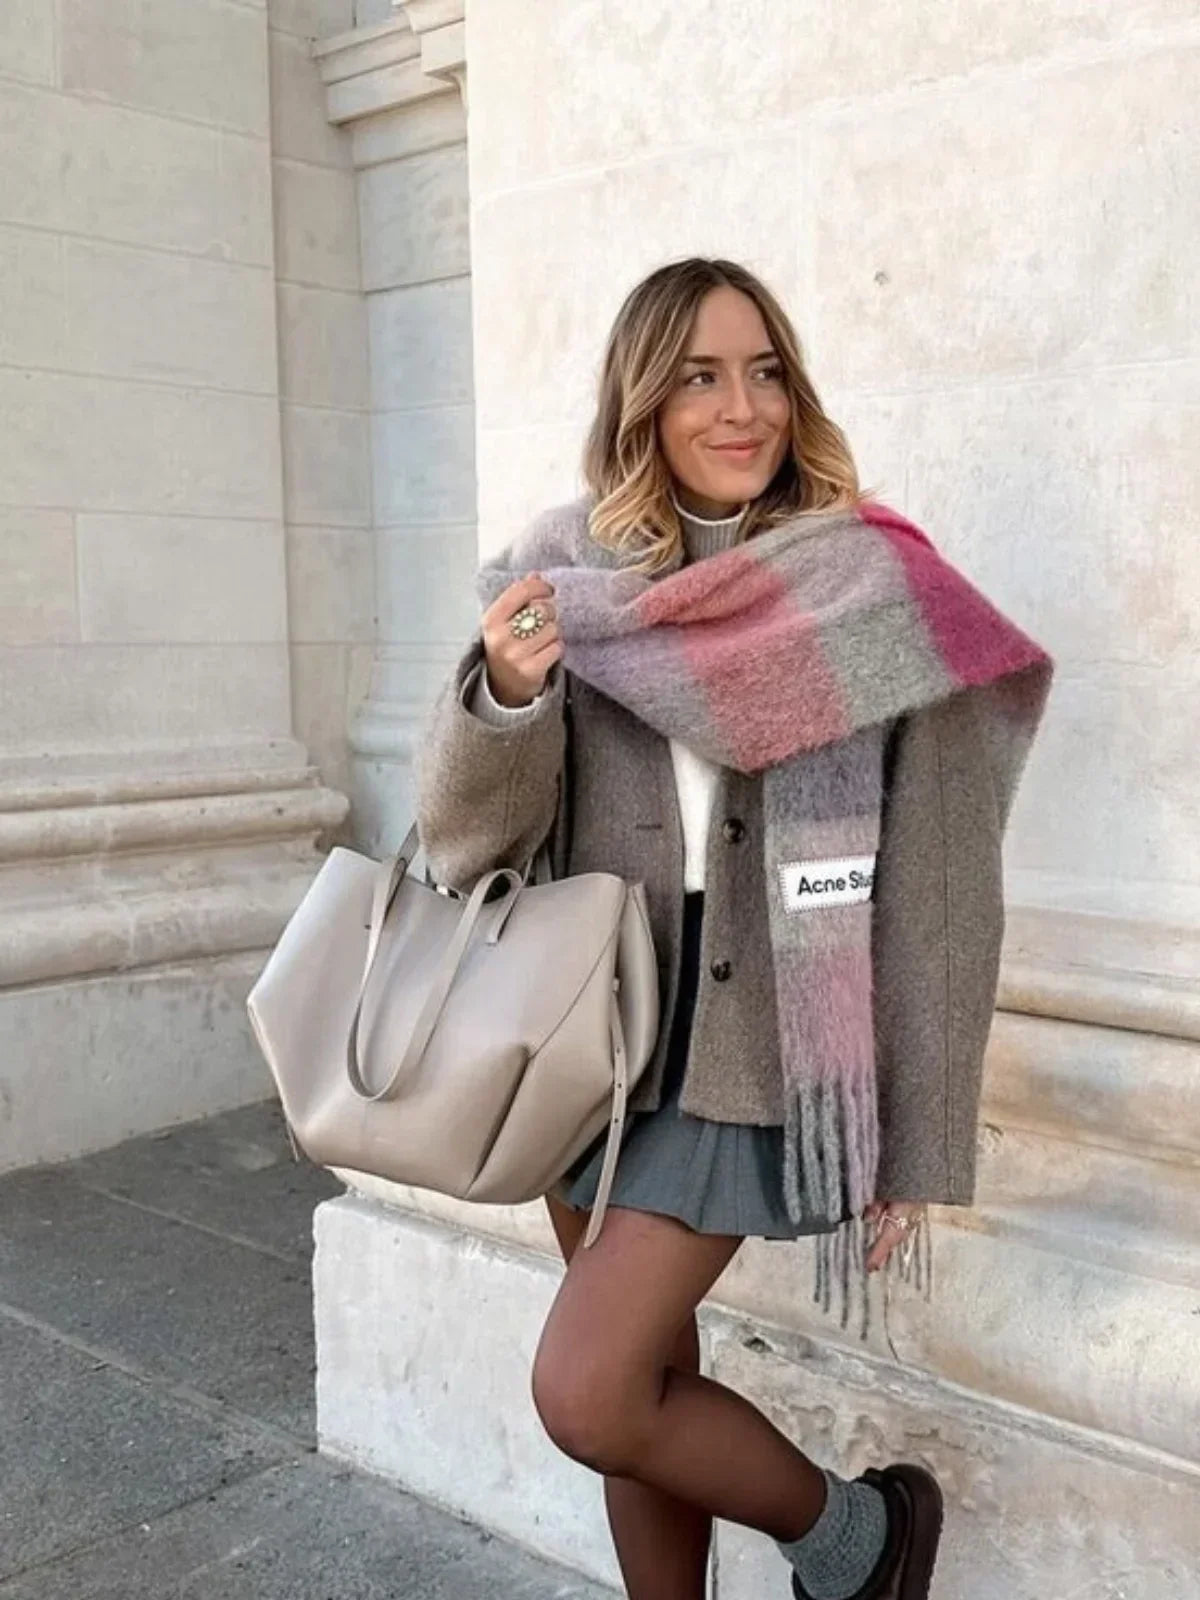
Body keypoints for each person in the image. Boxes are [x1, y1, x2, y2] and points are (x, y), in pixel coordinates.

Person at [416, 258, 1052, 1600]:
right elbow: (471, 846)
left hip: (760, 1044)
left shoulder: (869, 591)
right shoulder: (563, 580)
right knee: (645, 1380)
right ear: (643, 399)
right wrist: (508, 695)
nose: (742, 407)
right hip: (592, 1040)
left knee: (588, 1389)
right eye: (701, 376)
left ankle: (860, 1539)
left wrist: (919, 1124)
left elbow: (943, 883)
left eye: (764, 372)